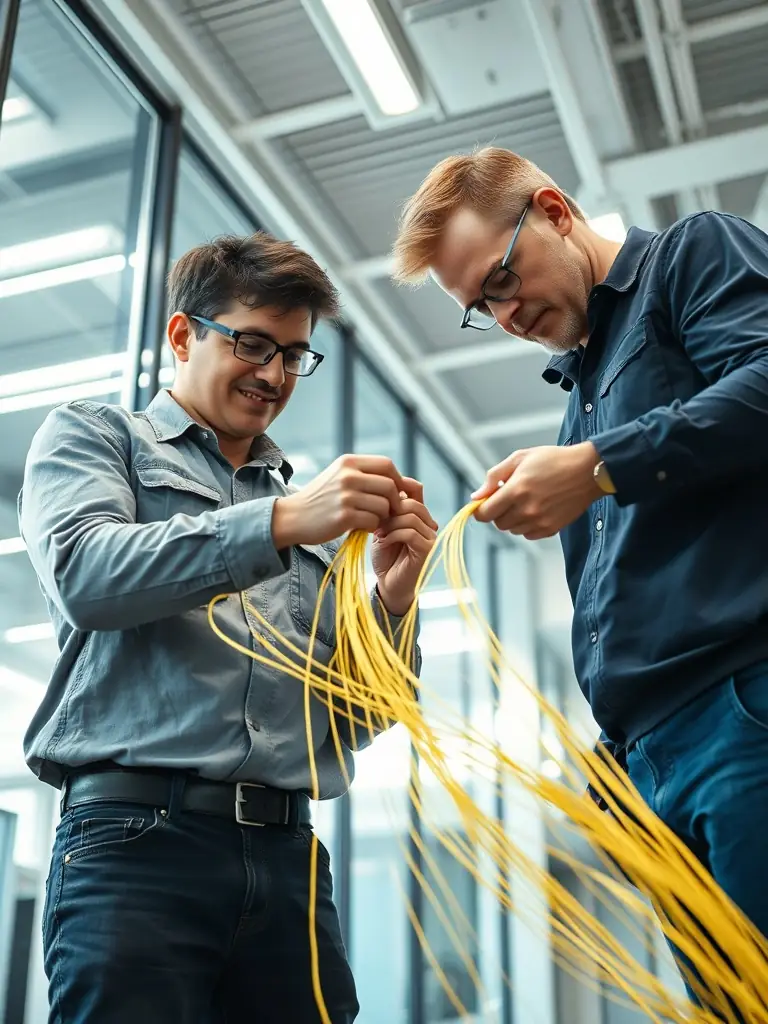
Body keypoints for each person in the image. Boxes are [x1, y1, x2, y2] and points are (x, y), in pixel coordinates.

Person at [19, 231, 437, 1024]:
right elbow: (87, 576)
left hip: (287, 861)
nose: (275, 375)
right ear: (183, 335)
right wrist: (280, 521)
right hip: (134, 845)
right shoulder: (96, 438)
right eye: (252, 343)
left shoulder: (313, 526)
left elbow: (360, 715)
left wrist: (392, 599)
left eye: (294, 355)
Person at [392, 147, 768, 1000]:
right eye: (479, 308)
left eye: (499, 280)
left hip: (740, 717)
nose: (505, 312)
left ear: (555, 211)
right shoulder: (580, 406)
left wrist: (599, 466)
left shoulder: (690, 256)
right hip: (655, 765)